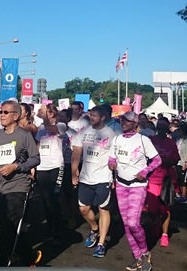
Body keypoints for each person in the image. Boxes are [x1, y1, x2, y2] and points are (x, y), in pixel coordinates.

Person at [0, 100, 41, 267]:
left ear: (16, 116)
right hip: (1, 187)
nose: (1, 115)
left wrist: (16, 167)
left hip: (19, 187)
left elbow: (35, 159)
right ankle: (29, 256)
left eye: (5, 112)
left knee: (7, 229)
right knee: (8, 226)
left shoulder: (24, 136)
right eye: (0, 111)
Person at [108, 111, 160, 271]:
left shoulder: (143, 140)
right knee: (126, 224)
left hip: (137, 186)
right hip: (121, 184)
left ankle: (145, 253)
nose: (123, 123)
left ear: (135, 124)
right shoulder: (116, 139)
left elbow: (157, 160)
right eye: (122, 120)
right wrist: (112, 164)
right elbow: (112, 158)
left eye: (127, 121)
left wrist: (144, 172)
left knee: (133, 223)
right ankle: (138, 258)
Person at [71, 104, 118, 258]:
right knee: (83, 208)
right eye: (90, 115)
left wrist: (114, 178)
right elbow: (77, 151)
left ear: (103, 118)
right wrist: (74, 171)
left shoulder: (111, 134)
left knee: (104, 209)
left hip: (103, 177)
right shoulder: (84, 132)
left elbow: (114, 158)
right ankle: (94, 229)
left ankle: (101, 243)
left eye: (94, 116)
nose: (90, 118)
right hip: (86, 177)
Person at [34, 103, 67, 244]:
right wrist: (33, 164)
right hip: (42, 167)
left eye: (46, 112)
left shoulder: (61, 126)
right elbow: (37, 145)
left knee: (55, 198)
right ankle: (50, 228)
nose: (43, 114)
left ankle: (58, 230)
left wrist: (44, 116)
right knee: (45, 199)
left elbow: (50, 128)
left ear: (52, 113)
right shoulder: (41, 129)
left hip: (55, 166)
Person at [146, 118, 179, 248]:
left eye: (163, 128)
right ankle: (156, 222)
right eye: (159, 128)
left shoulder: (171, 143)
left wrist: (166, 160)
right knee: (152, 209)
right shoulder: (150, 140)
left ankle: (164, 234)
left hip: (167, 180)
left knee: (165, 209)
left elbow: (176, 161)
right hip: (153, 178)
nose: (161, 130)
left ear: (166, 130)